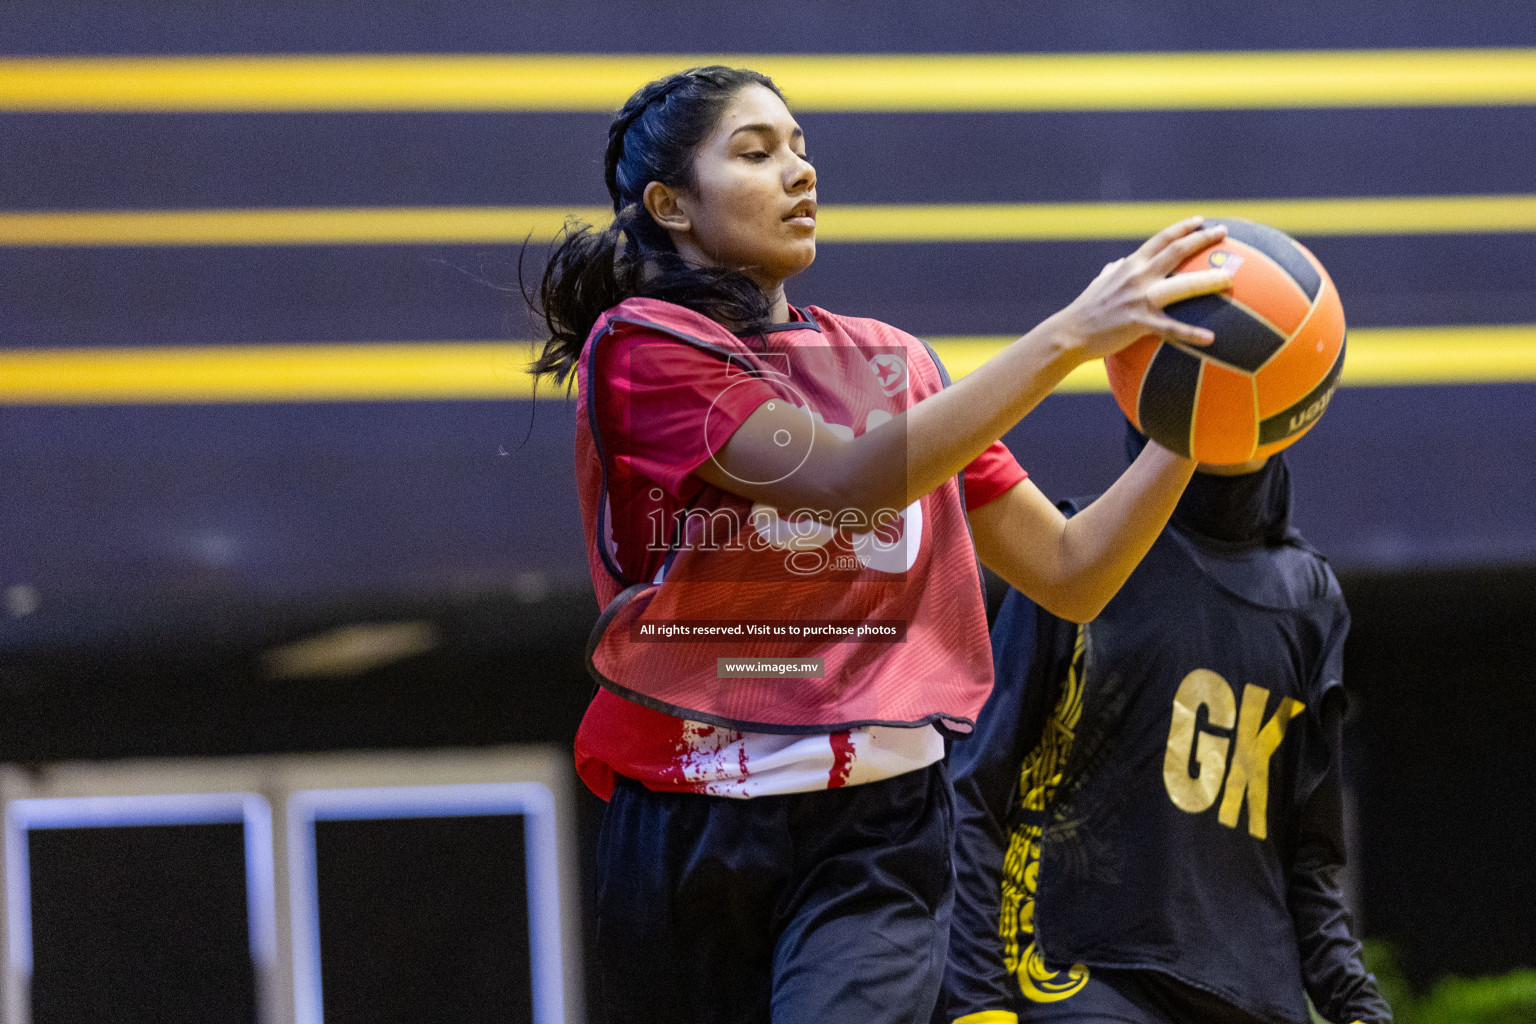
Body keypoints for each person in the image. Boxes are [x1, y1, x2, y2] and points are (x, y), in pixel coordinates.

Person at [527, 65, 1233, 1024]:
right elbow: (845, 477)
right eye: (757, 151)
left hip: (878, 827)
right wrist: (1071, 334)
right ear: (671, 205)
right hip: (690, 817)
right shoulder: (644, 347)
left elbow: (1072, 571)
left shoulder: (891, 362)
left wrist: (1204, 423)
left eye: (802, 146)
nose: (800, 171)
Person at [937, 425, 1393, 1024]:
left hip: (1256, 995)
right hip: (1078, 977)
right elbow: (974, 791)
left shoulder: (1310, 598)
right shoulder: (1075, 554)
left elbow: (1310, 858)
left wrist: (1357, 1004)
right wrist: (974, 1003)